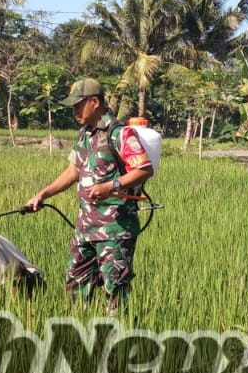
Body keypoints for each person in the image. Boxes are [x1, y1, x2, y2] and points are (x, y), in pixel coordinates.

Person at [25, 78, 155, 314]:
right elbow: (72, 171)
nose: (74, 111)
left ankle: (116, 340)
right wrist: (43, 194)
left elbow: (145, 169)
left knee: (114, 289)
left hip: (114, 229)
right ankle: (79, 334)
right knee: (75, 285)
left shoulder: (120, 134)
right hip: (85, 228)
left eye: (78, 105)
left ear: (94, 102)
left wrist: (111, 186)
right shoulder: (85, 134)